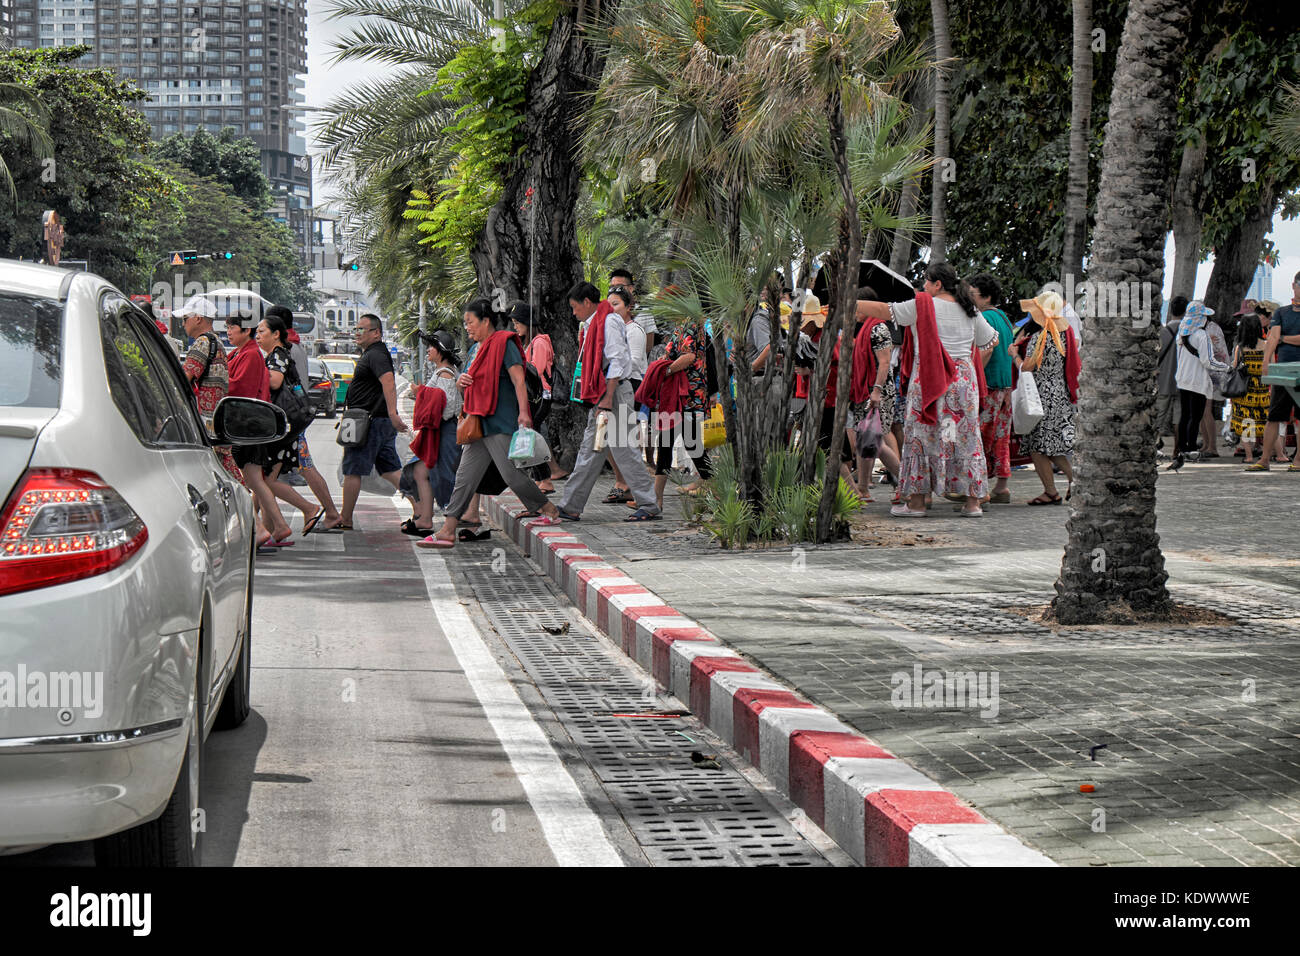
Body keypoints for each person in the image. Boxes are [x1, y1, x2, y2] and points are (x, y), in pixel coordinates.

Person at [858, 263, 998, 517]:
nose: (923, 286)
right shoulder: (970, 309)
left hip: (929, 378)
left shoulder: (922, 305)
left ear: (938, 284)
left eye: (926, 281)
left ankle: (918, 503)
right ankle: (972, 504)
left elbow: (883, 310)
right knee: (964, 439)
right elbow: (990, 339)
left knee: (921, 437)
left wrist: (850, 303)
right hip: (963, 381)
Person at [418, 300, 561, 548]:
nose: (467, 327)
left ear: (486, 321)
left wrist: (524, 414)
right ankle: (448, 530)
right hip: (478, 420)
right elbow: (477, 380)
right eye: (465, 323)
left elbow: (518, 381)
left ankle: (549, 510)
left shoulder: (504, 343)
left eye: (470, 322)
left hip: (499, 420)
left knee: (512, 476)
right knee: (464, 478)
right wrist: (462, 380)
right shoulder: (479, 348)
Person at [555, 281, 661, 521]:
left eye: (575, 307)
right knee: (592, 450)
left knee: (623, 451)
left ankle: (648, 503)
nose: (573, 313)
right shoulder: (594, 323)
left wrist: (608, 398)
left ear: (587, 303)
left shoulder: (608, 321)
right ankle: (571, 504)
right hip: (605, 396)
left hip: (613, 394)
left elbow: (617, 361)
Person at [256, 310, 343, 534]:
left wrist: (252, 373)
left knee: (272, 478)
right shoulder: (291, 350)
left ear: (276, 332)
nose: (257, 335)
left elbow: (275, 383)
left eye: (261, 331)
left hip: (286, 423)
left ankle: (315, 511)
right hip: (290, 421)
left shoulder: (282, 353)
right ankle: (272, 530)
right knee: (267, 478)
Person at [226, 311, 293, 547]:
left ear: (246, 331)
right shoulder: (242, 353)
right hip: (250, 424)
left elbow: (239, 388)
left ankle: (261, 528)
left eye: (232, 328)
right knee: (254, 479)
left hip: (246, 424)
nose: (229, 333)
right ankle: (278, 526)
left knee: (238, 476)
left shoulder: (251, 355)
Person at [339, 313, 409, 529]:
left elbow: (388, 381)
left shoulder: (376, 354)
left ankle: (345, 518)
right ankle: (421, 508)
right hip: (375, 420)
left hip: (369, 422)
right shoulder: (373, 353)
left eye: (362, 329)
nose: (357, 333)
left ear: (376, 332)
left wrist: (393, 413)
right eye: (356, 329)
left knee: (352, 469)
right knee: (389, 469)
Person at [1013, 291, 1081, 502]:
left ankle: (1055, 490)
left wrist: (1015, 355)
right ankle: (1070, 483)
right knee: (1050, 445)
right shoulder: (1065, 333)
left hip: (1042, 395)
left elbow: (1028, 367)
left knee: (1039, 446)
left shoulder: (1041, 336)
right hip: (1060, 394)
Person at [403, 329, 463, 533]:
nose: (428, 350)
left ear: (441, 351)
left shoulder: (445, 373)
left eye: (431, 347)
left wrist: (419, 392)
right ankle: (426, 519)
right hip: (439, 432)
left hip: (444, 432)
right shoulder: (443, 372)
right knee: (421, 472)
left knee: (445, 475)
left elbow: (445, 407)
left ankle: (451, 517)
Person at [178, 295, 240, 481]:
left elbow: (184, 379)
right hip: (215, 420)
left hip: (204, 422)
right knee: (227, 472)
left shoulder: (203, 343)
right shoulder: (217, 342)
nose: (183, 324)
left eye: (185, 318)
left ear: (198, 318)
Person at [1245, 271, 1300, 472]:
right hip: (1282, 370)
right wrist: (1266, 361)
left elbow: (1278, 337)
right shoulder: (1281, 312)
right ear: (1293, 285)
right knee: (1274, 416)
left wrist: (1283, 338)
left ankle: (1298, 461)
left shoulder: (1282, 316)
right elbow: (1272, 337)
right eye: (1298, 284)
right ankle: (1265, 459)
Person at [969, 274, 1015, 504]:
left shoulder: (984, 317)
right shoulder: (1003, 317)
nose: (968, 298)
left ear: (985, 297)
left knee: (981, 436)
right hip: (1006, 385)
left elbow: (985, 351)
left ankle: (981, 488)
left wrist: (973, 375)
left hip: (988, 384)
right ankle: (1001, 486)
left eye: (972, 294)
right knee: (1001, 436)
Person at [1171, 300, 1227, 471]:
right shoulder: (1202, 336)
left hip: (1182, 379)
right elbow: (1208, 361)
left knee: (1185, 415)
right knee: (1195, 416)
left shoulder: (1181, 335)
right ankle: (1191, 448)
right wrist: (1226, 367)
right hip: (1198, 381)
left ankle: (1181, 447)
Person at [1229, 314, 1269, 464]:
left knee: (1247, 423)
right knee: (1264, 422)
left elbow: (1234, 368)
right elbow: (1270, 366)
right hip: (1263, 389)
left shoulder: (1240, 348)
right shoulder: (1266, 345)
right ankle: (1267, 454)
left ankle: (1249, 456)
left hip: (1244, 391)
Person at [1155, 295, 1187, 454]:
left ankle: (1153, 446)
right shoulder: (1188, 334)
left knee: (1158, 416)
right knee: (1179, 418)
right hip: (1183, 381)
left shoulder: (1163, 332)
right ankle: (1177, 449)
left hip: (1164, 380)